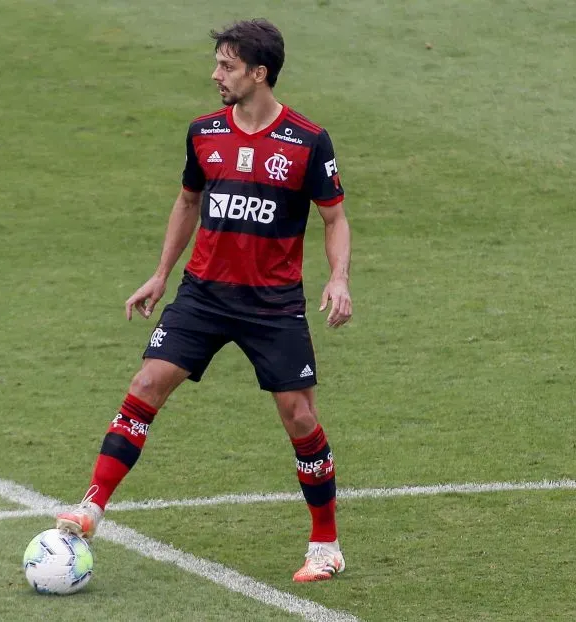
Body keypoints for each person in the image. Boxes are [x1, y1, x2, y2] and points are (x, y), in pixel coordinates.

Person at [56, 18, 352, 582]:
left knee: (300, 417)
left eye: (227, 65)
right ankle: (91, 504)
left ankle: (325, 544)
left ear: (259, 73)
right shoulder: (204, 133)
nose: (216, 74)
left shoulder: (308, 142)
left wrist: (338, 278)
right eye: (217, 63)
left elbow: (334, 218)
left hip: (273, 304)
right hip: (204, 295)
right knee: (145, 385)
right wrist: (161, 273)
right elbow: (188, 201)